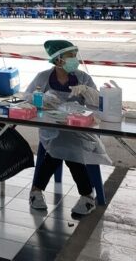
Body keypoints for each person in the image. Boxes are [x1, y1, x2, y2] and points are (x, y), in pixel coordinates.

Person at [25, 40, 111, 215]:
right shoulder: (43, 77)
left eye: (74, 55)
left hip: (79, 131)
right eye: (70, 56)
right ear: (57, 60)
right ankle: (87, 196)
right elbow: (26, 96)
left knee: (63, 146)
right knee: (62, 145)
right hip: (51, 130)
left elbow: (98, 105)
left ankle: (36, 191)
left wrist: (87, 92)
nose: (75, 60)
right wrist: (42, 98)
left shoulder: (83, 78)